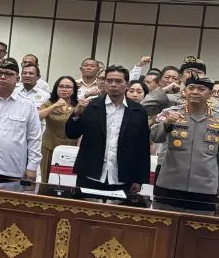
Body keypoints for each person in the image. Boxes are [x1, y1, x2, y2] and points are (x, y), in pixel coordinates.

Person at [64, 64, 151, 195]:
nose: (113, 85)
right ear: (104, 83)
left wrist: (139, 179)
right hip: (90, 174)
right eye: (109, 81)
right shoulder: (91, 105)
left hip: (122, 177)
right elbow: (72, 133)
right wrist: (76, 114)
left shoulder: (139, 111)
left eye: (118, 81)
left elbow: (142, 147)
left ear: (127, 85)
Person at [150, 74, 219, 212]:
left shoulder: (217, 117)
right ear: (184, 91)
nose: (195, 92)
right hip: (169, 185)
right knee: (164, 228)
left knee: (197, 230)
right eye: (191, 88)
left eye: (201, 89)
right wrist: (167, 123)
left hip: (205, 187)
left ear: (210, 94)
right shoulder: (171, 113)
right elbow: (154, 137)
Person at [38, 76, 78, 183]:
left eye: (68, 87)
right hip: (49, 146)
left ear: (74, 90)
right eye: (61, 86)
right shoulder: (49, 103)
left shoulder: (78, 106)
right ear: (56, 88)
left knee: (67, 180)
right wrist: (55, 105)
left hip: (70, 147)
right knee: (46, 179)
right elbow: (38, 116)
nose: (64, 89)